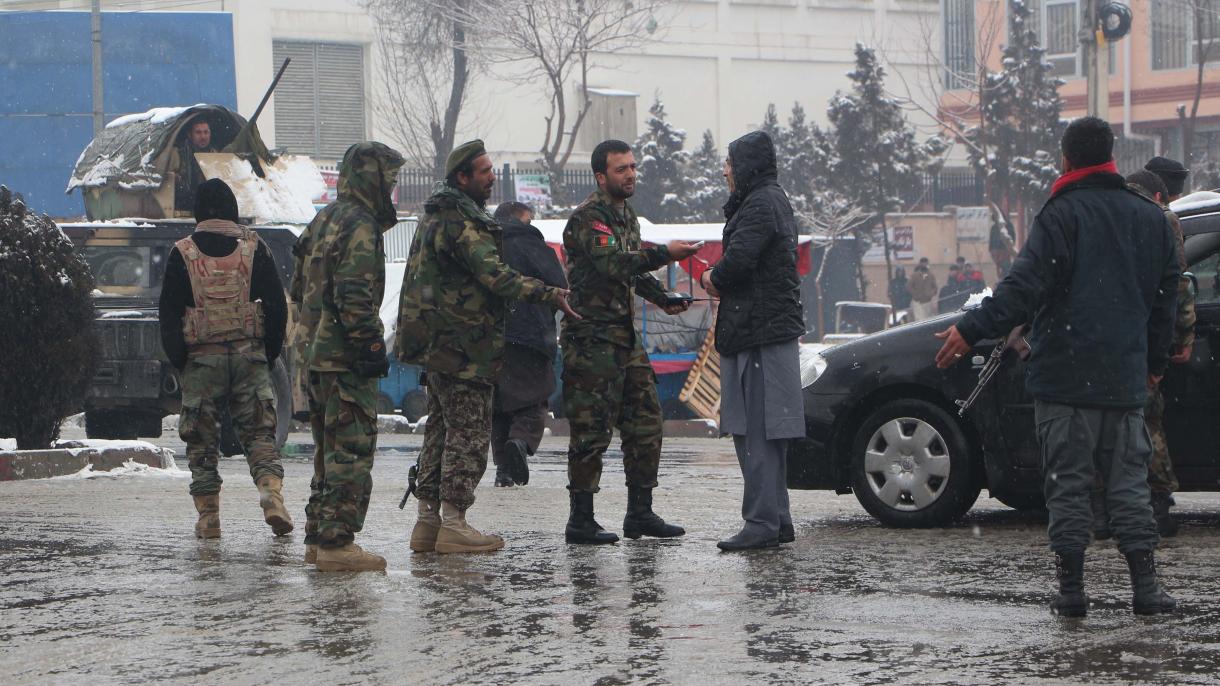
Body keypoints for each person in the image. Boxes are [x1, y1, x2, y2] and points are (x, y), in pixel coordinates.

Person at [934, 117, 1180, 617]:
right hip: (1123, 381)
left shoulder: (1063, 214)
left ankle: (1071, 591)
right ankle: (1146, 589)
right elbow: (1164, 301)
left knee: (1067, 485)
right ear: (1113, 156)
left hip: (1066, 381)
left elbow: (1023, 288)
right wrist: (1152, 363)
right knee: (1129, 484)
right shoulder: (1151, 218)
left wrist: (971, 327)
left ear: (1066, 159)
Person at [396, 140, 576, 554]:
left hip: (439, 347)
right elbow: (496, 275)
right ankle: (455, 522)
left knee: (439, 432)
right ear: (463, 177)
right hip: (465, 348)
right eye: (484, 171)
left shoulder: (434, 218)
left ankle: (427, 523)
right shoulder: (462, 221)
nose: (492, 177)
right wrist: (548, 293)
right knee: (468, 433)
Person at [560, 139, 701, 545]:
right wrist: (665, 254)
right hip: (591, 339)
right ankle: (581, 518)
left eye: (633, 167)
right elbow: (612, 263)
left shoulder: (627, 217)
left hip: (624, 337)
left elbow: (631, 270)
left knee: (645, 422)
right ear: (601, 176)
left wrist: (662, 297)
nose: (631, 175)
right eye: (621, 169)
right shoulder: (589, 218)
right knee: (591, 429)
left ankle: (640, 512)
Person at [159, 178, 291, 540]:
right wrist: (268, 351)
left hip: (202, 361)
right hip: (250, 357)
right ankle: (271, 495)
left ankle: (209, 518)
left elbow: (168, 314)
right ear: (233, 209)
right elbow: (277, 306)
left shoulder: (182, 252)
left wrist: (181, 359)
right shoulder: (254, 248)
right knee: (260, 434)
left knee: (201, 443)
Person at [293, 141, 404, 572]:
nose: (391, 190)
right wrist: (371, 345)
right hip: (344, 357)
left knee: (327, 451)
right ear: (370, 177)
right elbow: (354, 294)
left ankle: (317, 535)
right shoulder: (360, 224)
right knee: (351, 451)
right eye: (388, 179)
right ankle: (337, 543)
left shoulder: (325, 219)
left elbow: (298, 282)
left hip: (317, 354)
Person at [698, 130, 806, 551]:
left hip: (757, 333)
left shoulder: (760, 202)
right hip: (762, 330)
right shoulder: (768, 199)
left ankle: (761, 522)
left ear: (745, 165)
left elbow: (739, 263)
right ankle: (776, 518)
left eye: (729, 162)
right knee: (766, 431)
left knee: (757, 432)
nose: (725, 169)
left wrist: (710, 277)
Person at [1125, 166, 1196, 536]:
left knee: (1112, 424)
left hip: (1111, 340)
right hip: (1147, 337)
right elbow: (1178, 286)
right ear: (1159, 195)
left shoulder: (1110, 214)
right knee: (1148, 422)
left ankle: (1108, 509)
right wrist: (1181, 338)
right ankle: (1158, 505)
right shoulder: (1163, 221)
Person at [489, 201, 568, 488]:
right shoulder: (532, 244)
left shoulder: (485, 245)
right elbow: (559, 286)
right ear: (523, 219)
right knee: (535, 398)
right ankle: (519, 443)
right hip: (531, 336)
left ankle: (503, 470)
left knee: (499, 404)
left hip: (491, 337)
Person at [172, 119, 219, 214]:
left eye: (206, 132)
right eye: (198, 132)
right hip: (184, 207)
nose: (203, 137)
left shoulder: (215, 155)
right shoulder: (179, 154)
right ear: (190, 134)